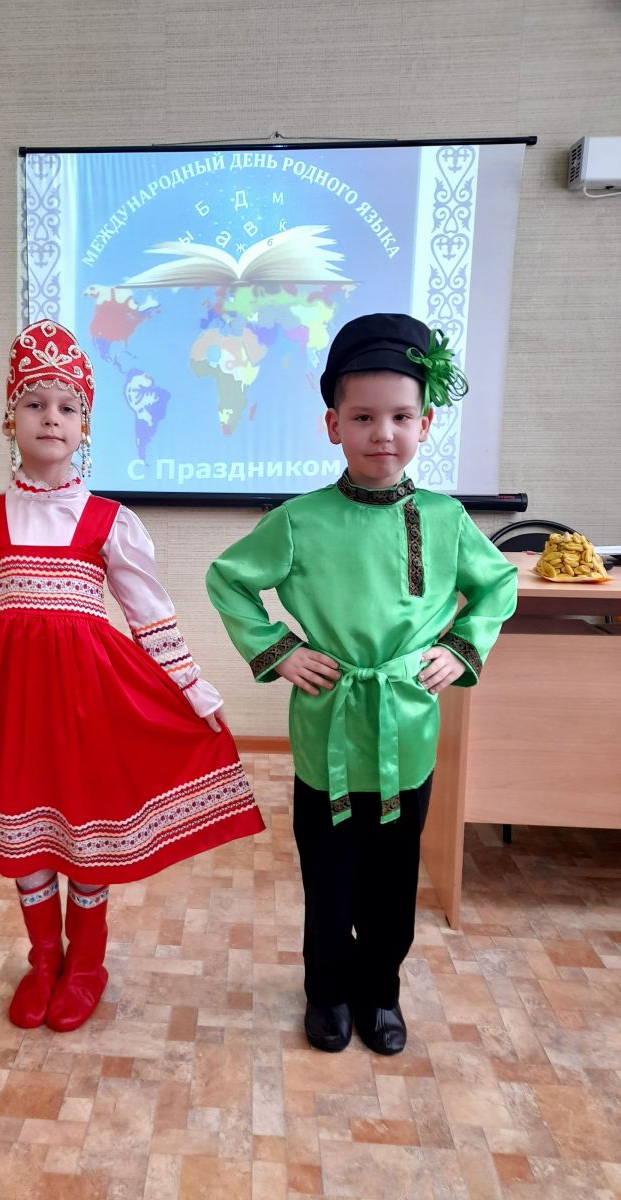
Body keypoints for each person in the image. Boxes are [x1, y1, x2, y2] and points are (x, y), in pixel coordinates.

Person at [0, 319, 263, 1033]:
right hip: (11, 700)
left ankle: (86, 964)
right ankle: (44, 960)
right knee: (24, 829)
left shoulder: (110, 521)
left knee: (85, 831)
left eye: (65, 406)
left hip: (90, 700)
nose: (50, 417)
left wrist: (193, 688)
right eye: (34, 403)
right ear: (11, 420)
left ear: (84, 425)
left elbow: (150, 617)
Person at [206, 313, 516, 1056]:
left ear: (425, 424)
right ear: (333, 425)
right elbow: (229, 579)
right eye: (364, 417)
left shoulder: (443, 519)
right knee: (329, 875)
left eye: (401, 417)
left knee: (392, 876)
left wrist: (461, 647)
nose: (384, 433)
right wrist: (280, 650)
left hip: (407, 726)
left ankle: (380, 990)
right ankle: (326, 990)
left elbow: (497, 584)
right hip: (330, 726)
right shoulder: (299, 520)